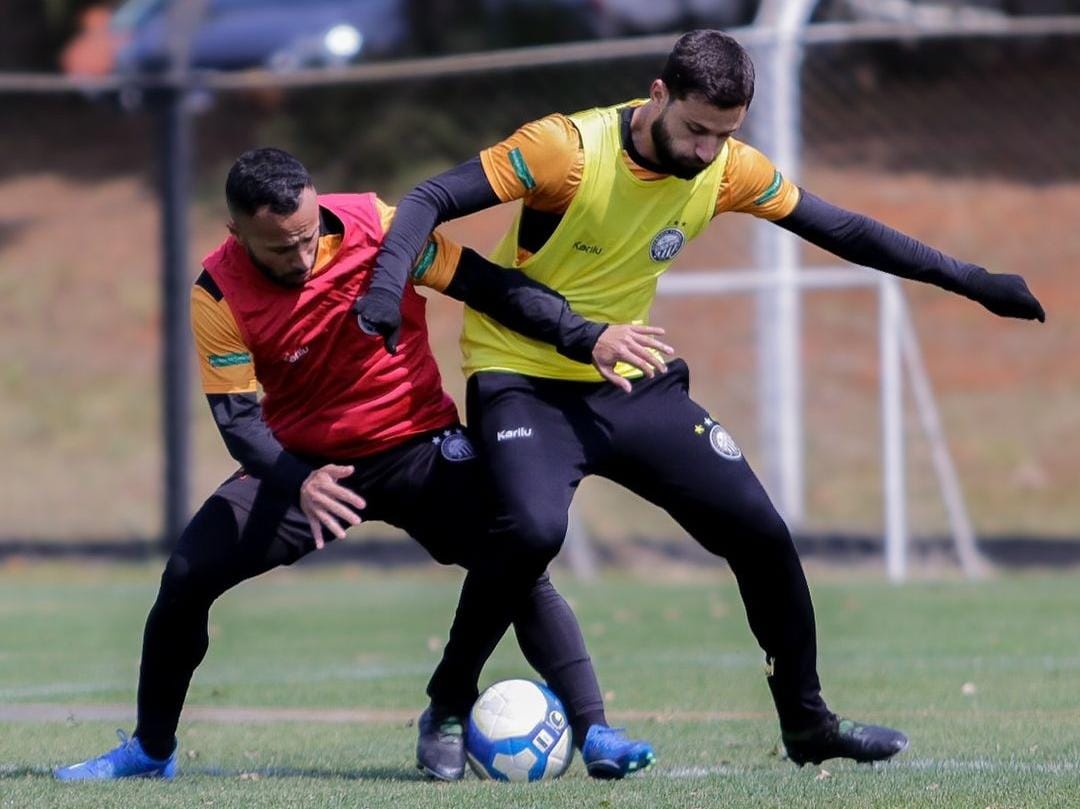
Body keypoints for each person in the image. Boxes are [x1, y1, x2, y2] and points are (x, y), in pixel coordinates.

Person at [353, 30, 1045, 767]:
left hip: (630, 379)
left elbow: (842, 228)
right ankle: (451, 700)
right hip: (522, 376)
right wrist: (386, 289)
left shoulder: (728, 169)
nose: (709, 150)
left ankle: (807, 722)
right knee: (528, 532)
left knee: (761, 533)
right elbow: (427, 198)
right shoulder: (567, 150)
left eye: (725, 135)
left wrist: (974, 281)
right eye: (695, 129)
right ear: (658, 94)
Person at [53, 147, 663, 783]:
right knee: (184, 578)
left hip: (417, 443)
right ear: (236, 233)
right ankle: (152, 752)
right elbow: (238, 421)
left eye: (307, 238)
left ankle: (594, 729)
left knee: (517, 559)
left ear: (318, 206)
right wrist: (300, 480)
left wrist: (582, 333)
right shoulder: (217, 293)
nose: (300, 257)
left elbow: (485, 284)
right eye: (278, 249)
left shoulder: (380, 228)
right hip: (304, 464)